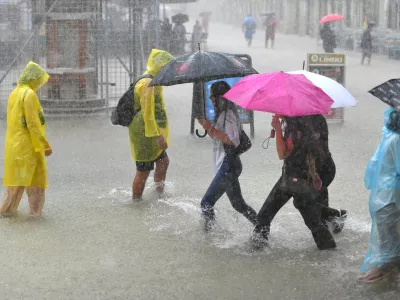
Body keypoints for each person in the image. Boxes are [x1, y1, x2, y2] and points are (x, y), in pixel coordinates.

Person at [253, 115, 337, 250]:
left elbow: (282, 154)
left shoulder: (295, 128)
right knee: (314, 223)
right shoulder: (313, 121)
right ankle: (330, 252)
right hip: (304, 177)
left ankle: (256, 251)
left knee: (265, 215)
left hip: (295, 181)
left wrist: (278, 129)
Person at [198, 81, 258, 230]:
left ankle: (209, 239)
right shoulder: (222, 114)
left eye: (213, 97)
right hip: (226, 165)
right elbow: (219, 139)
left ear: (221, 97)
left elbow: (233, 141)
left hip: (228, 166)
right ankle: (261, 226)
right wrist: (208, 128)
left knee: (206, 203)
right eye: (211, 97)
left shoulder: (229, 114)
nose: (211, 101)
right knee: (239, 205)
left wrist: (210, 127)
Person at [0, 61, 52, 217]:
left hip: (14, 147)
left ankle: (5, 214)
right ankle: (36, 217)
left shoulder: (14, 93)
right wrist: (44, 145)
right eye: (38, 80)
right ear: (33, 78)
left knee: (15, 185)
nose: (39, 84)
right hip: (29, 147)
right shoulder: (29, 95)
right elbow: (33, 123)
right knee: (36, 183)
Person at [359, 108, 400, 283]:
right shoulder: (397, 140)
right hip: (390, 199)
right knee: (389, 252)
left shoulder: (389, 135)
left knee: (390, 244)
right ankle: (370, 281)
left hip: (383, 197)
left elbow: (375, 165)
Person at [129, 49, 173, 201]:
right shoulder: (148, 83)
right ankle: (136, 202)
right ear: (160, 66)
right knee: (143, 170)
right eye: (166, 67)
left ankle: (158, 195)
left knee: (163, 161)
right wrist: (157, 135)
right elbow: (147, 114)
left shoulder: (155, 80)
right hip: (144, 132)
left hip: (150, 130)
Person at [306, 115, 347, 233]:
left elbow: (317, 146)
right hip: (318, 169)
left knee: (311, 201)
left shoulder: (315, 120)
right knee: (318, 200)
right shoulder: (305, 119)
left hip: (324, 169)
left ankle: (336, 215)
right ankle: (331, 220)